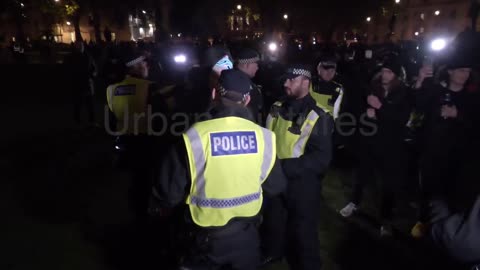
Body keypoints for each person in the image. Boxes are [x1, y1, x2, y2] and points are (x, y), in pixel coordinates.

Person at [151, 69, 287, 270]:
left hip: (203, 241)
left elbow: (169, 193)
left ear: (215, 94)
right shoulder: (264, 137)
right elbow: (276, 186)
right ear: (247, 99)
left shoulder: (194, 137)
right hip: (246, 239)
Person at [263, 64, 334, 270]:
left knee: (304, 233)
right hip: (276, 179)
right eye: (285, 79)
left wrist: (284, 166)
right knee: (274, 222)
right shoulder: (277, 105)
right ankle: (274, 252)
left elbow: (321, 159)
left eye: (291, 80)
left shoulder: (319, 116)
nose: (285, 83)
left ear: (305, 82)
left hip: (303, 185)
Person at [339, 57, 410, 236]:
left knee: (388, 184)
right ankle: (354, 203)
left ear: (397, 76)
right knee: (362, 174)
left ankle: (385, 218)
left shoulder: (404, 93)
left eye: (390, 72)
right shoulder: (374, 88)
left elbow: (400, 119)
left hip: (390, 145)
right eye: (384, 71)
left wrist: (380, 107)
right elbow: (361, 109)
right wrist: (368, 113)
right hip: (370, 140)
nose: (385, 75)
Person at [411, 54, 475, 238]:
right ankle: (423, 223)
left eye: (468, 71)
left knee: (448, 193)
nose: (465, 74)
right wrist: (421, 78)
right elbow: (418, 103)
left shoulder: (470, 98)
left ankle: (444, 230)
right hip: (431, 152)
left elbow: (475, 126)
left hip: (456, 156)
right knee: (427, 190)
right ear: (451, 71)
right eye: (462, 70)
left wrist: (458, 115)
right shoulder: (438, 91)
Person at [106, 50, 165, 221]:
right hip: (146, 143)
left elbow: (111, 121)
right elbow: (160, 118)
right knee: (146, 182)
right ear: (137, 66)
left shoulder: (111, 89)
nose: (147, 66)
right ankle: (146, 217)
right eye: (144, 63)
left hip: (124, 142)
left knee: (133, 181)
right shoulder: (149, 87)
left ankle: (134, 212)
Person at [65, 40, 97, 126]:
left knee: (90, 104)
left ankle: (92, 121)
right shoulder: (71, 57)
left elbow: (94, 68)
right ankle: (77, 121)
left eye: (81, 45)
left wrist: (92, 75)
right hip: (77, 84)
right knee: (77, 104)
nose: (80, 47)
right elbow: (68, 71)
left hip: (87, 83)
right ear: (75, 47)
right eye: (78, 46)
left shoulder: (88, 56)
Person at [310, 54, 345, 120]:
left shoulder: (338, 89)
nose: (329, 73)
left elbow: (336, 114)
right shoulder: (309, 84)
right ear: (318, 68)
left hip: (327, 126)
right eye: (326, 69)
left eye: (332, 70)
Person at [235, 48, 264, 124]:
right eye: (256, 64)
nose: (257, 68)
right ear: (247, 64)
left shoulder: (234, 80)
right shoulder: (242, 84)